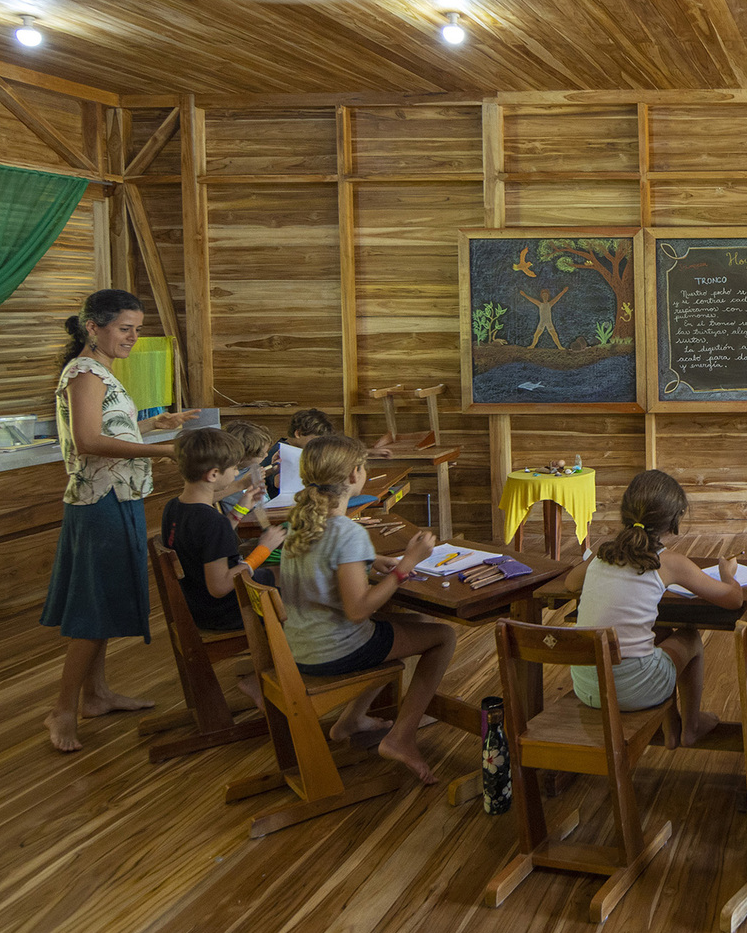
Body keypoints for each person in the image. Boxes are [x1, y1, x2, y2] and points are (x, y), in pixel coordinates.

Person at [41, 288, 199, 753]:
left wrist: (155, 425)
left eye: (137, 328)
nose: (133, 337)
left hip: (120, 497)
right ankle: (63, 708)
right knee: (94, 609)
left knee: (104, 602)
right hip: (99, 504)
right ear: (94, 327)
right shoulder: (86, 373)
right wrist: (165, 451)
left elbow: (109, 428)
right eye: (125, 329)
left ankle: (97, 694)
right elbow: (89, 440)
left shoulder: (102, 371)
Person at [276, 434, 454, 783]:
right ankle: (401, 737)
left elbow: (323, 570)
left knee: (411, 622)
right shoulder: (347, 532)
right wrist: (407, 565)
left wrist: (369, 562)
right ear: (355, 474)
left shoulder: (299, 523)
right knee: (443, 635)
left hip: (297, 647)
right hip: (334, 650)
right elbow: (359, 610)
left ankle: (352, 721)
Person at [558, 469, 743, 746]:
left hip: (587, 686)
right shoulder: (669, 563)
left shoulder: (603, 554)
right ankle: (690, 728)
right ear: (673, 521)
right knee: (690, 638)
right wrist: (728, 573)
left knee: (659, 635)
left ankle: (671, 731)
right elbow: (733, 599)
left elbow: (571, 583)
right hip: (633, 691)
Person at [160, 428, 283, 707]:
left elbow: (208, 546)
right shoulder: (209, 522)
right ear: (213, 475)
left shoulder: (175, 508)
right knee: (291, 588)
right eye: (233, 469)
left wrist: (240, 509)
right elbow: (220, 586)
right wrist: (263, 550)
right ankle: (261, 675)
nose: (236, 475)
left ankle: (265, 665)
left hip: (195, 603)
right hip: (223, 611)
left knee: (279, 576)